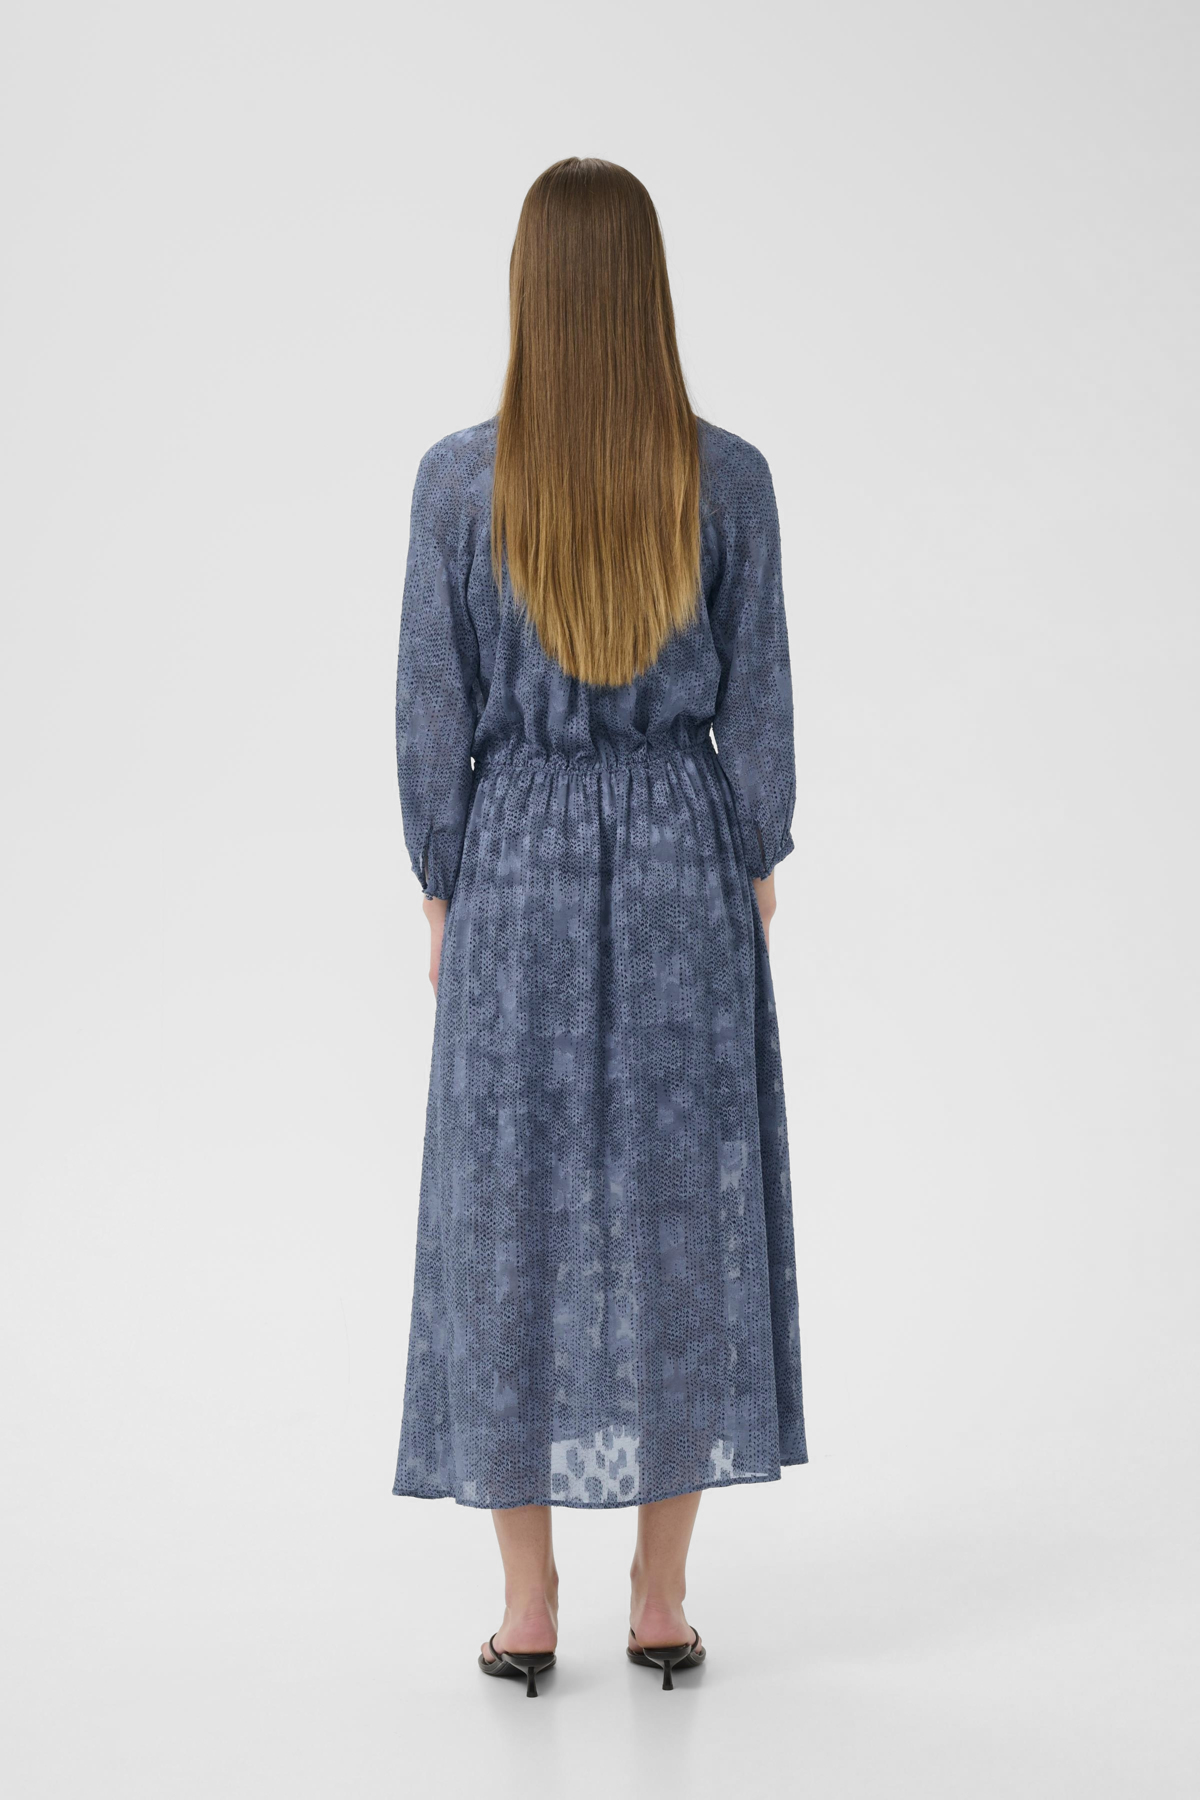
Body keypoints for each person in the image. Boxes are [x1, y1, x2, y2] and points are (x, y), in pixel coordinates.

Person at [391, 156, 807, 1696]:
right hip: (683, 854)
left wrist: (443, 880)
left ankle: (526, 1608)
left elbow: (432, 709)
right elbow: (761, 698)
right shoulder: (728, 479)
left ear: (530, 291)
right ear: (648, 295)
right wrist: (751, 851)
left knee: (508, 1214)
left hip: (516, 860)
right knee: (683, 1212)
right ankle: (661, 1599)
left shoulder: (459, 484)